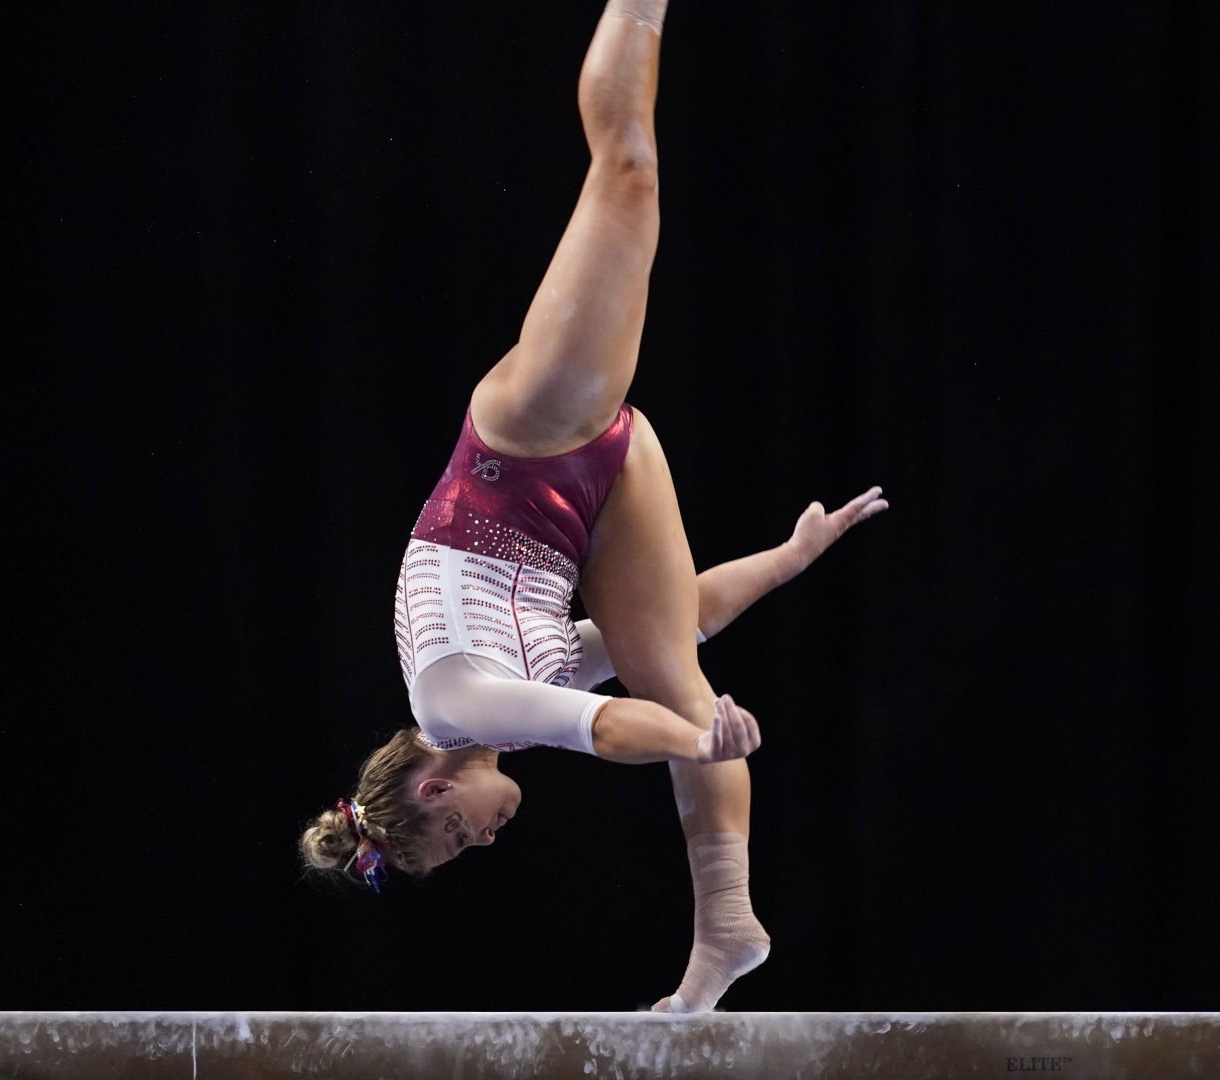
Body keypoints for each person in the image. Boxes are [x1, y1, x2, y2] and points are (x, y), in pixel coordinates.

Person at [299, 0, 887, 1013]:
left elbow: (612, 728)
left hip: (527, 445)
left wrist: (688, 739)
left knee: (626, 174)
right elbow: (672, 622)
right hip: (600, 488)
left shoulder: (454, 700)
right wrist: (791, 559)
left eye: (456, 838)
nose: (484, 840)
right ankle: (723, 934)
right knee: (683, 685)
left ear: (434, 791)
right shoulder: (506, 708)